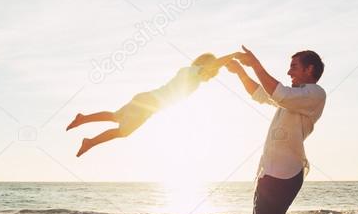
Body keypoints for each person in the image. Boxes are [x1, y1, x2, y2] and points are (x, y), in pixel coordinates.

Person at [225, 45, 336, 214]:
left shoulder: (314, 94)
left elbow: (278, 92)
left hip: (284, 175)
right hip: (268, 174)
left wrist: (255, 63)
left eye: (294, 66)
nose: (289, 71)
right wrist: (240, 71)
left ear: (310, 70)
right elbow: (259, 92)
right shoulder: (292, 96)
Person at [67, 53, 233, 157]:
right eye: (211, 73)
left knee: (116, 116)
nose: (211, 76)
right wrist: (234, 56)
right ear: (204, 65)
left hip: (146, 100)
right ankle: (89, 142)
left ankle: (84, 118)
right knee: (123, 131)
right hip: (148, 104)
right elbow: (212, 64)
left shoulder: (192, 76)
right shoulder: (191, 72)